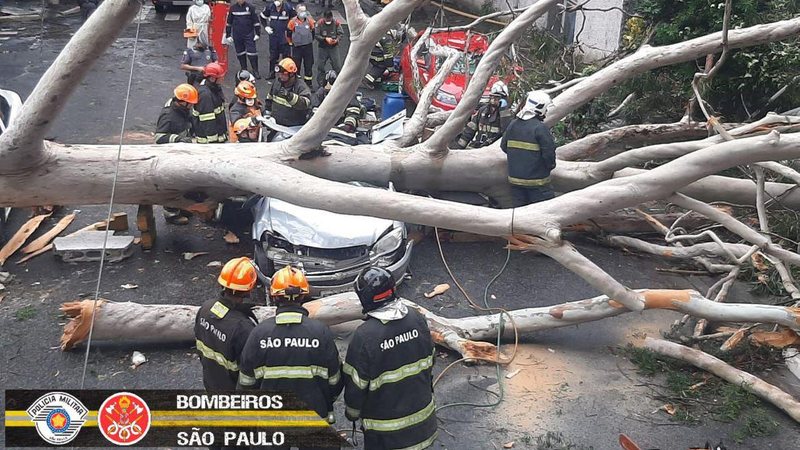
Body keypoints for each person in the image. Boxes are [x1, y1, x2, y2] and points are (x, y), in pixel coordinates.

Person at [237, 266, 343, 432]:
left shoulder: (260, 333)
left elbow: (246, 382)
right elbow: (335, 380)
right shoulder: (320, 332)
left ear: (274, 296)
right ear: (303, 295)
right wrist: (324, 400)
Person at [343, 267, 437, 450]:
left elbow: (356, 385)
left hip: (386, 437)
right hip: (424, 427)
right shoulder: (416, 318)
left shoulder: (365, 336)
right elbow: (431, 361)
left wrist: (352, 414)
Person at [194, 257, 259, 391]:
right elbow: (250, 370)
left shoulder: (206, 309)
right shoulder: (243, 328)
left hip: (211, 385)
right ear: (249, 289)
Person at [500, 90, 557, 206]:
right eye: (545, 109)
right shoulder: (540, 128)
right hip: (538, 185)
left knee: (519, 215)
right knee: (543, 213)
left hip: (515, 182)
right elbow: (549, 154)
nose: (546, 111)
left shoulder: (513, 125)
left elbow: (503, 146)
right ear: (540, 108)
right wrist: (549, 166)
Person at [454, 81, 513, 149]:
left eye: (497, 98)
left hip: (493, 151)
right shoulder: (483, 111)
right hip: (478, 148)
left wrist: (504, 110)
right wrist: (459, 148)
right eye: (492, 97)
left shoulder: (507, 115)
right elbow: (469, 130)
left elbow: (506, 132)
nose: (493, 100)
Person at [265, 58, 312, 127]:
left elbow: (305, 104)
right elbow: (269, 98)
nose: (280, 76)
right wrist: (267, 114)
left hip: (293, 127)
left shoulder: (301, 87)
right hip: (276, 125)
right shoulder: (277, 83)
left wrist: (290, 96)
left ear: (291, 74)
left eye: (283, 74)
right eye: (279, 74)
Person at [223, 0, 262, 79]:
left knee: (252, 53)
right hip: (237, 35)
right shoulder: (233, 8)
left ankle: (255, 71)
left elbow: (256, 21)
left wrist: (258, 33)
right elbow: (229, 22)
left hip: (249, 34)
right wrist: (228, 35)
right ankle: (244, 69)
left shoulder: (250, 7)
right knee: (240, 53)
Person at [193, 62, 228, 144]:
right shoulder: (205, 94)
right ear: (212, 78)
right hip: (208, 142)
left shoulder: (214, 88)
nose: (222, 79)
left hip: (218, 137)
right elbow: (207, 120)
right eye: (220, 77)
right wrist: (213, 143)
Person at [260, 0, 295, 79]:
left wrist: (290, 30)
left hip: (284, 36)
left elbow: (294, 19)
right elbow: (262, 17)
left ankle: (286, 73)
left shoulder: (288, 7)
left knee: (286, 56)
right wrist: (266, 27)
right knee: (273, 56)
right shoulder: (270, 7)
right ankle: (271, 73)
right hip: (274, 36)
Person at [286, 4, 315, 86]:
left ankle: (308, 84)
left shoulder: (310, 21)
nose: (303, 13)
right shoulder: (292, 22)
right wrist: (291, 43)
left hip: (308, 47)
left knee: (308, 65)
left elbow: (313, 32)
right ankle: (296, 83)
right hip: (297, 47)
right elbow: (288, 33)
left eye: (304, 11)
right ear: (297, 12)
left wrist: (309, 41)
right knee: (296, 65)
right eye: (301, 11)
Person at [314, 9, 343, 88]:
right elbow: (316, 35)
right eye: (327, 19)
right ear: (324, 18)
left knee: (337, 66)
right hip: (323, 47)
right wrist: (325, 39)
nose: (328, 21)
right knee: (321, 66)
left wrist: (336, 40)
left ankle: (337, 83)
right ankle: (320, 83)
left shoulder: (336, 23)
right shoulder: (319, 23)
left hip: (333, 47)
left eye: (329, 19)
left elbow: (340, 33)